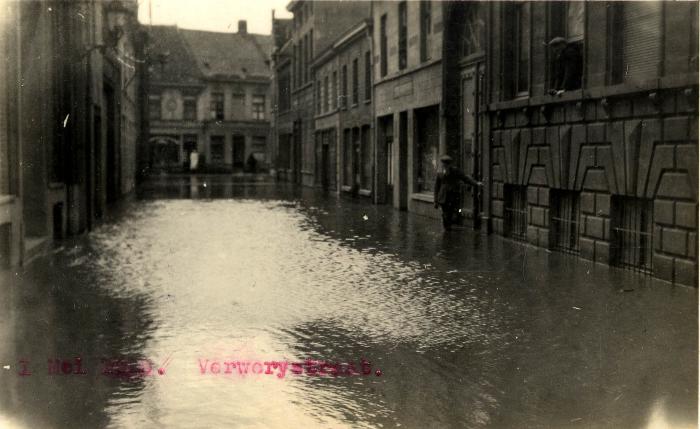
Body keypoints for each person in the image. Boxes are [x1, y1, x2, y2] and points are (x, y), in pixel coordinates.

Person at [433, 155, 482, 231]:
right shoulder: (439, 173)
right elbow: (436, 187)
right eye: (444, 164)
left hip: (453, 196)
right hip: (443, 197)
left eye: (447, 164)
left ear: (449, 164)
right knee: (445, 213)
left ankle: (449, 226)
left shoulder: (455, 171)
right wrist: (435, 201)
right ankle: (447, 228)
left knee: (453, 211)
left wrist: (476, 183)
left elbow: (465, 178)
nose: (445, 166)